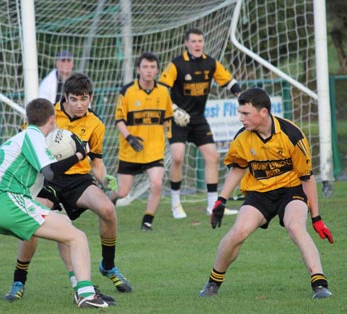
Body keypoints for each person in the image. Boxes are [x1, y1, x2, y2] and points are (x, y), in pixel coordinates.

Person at [3, 73, 131, 303]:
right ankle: (18, 280)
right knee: (31, 223)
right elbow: (25, 142)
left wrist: (105, 180)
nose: (80, 104)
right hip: (47, 179)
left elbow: (97, 163)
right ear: (65, 97)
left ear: (90, 97)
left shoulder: (96, 123)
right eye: (74, 99)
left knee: (108, 210)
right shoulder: (47, 116)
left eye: (84, 99)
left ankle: (108, 266)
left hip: (78, 179)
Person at [199, 87, 333, 299]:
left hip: (291, 191)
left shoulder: (292, 135)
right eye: (240, 113)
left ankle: (320, 285)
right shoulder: (242, 137)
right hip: (259, 193)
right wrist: (220, 201)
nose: (241, 118)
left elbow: (307, 178)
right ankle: (213, 283)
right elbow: (238, 169)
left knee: (295, 227)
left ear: (263, 112)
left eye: (246, 113)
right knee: (238, 232)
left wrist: (316, 218)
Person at [0, 97, 108, 308]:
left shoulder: (20, 137)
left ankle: (79, 287)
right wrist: (79, 154)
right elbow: (50, 173)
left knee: (66, 227)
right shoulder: (33, 137)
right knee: (78, 237)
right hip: (9, 202)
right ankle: (86, 294)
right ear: (52, 119)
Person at [159, 28, 242, 219]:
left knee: (212, 156)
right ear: (186, 44)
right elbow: (162, 90)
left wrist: (241, 94)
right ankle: (175, 204)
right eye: (193, 41)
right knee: (178, 158)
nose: (197, 44)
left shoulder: (210, 63)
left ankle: (213, 205)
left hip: (198, 119)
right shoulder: (176, 65)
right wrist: (174, 109)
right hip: (178, 118)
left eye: (200, 41)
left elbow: (229, 81)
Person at [108, 52, 173, 231]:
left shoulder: (163, 92)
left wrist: (172, 129)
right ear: (138, 70)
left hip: (153, 150)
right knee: (122, 192)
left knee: (157, 183)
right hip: (131, 151)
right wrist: (129, 137)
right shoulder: (127, 92)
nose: (149, 71)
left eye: (152, 67)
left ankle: (147, 221)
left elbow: (167, 118)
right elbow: (119, 120)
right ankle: (108, 201)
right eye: (145, 67)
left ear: (157, 70)